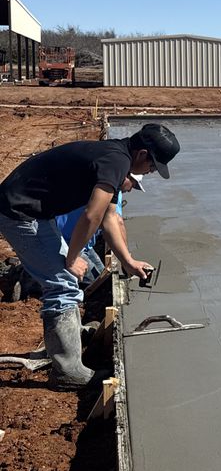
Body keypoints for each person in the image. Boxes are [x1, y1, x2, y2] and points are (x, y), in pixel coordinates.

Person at [0, 123, 180, 388]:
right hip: (19, 213)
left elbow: (109, 217)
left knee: (67, 279)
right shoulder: (116, 161)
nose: (151, 172)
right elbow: (91, 215)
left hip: (36, 212)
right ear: (142, 154)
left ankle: (68, 341)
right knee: (62, 283)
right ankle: (67, 372)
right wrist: (72, 258)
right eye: (153, 166)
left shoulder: (116, 157)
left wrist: (128, 261)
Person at [56, 173, 144, 283]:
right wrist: (127, 261)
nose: (130, 190)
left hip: (81, 242)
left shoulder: (100, 181)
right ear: (126, 177)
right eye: (133, 185)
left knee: (102, 274)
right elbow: (118, 222)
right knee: (96, 282)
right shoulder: (112, 191)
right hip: (69, 242)